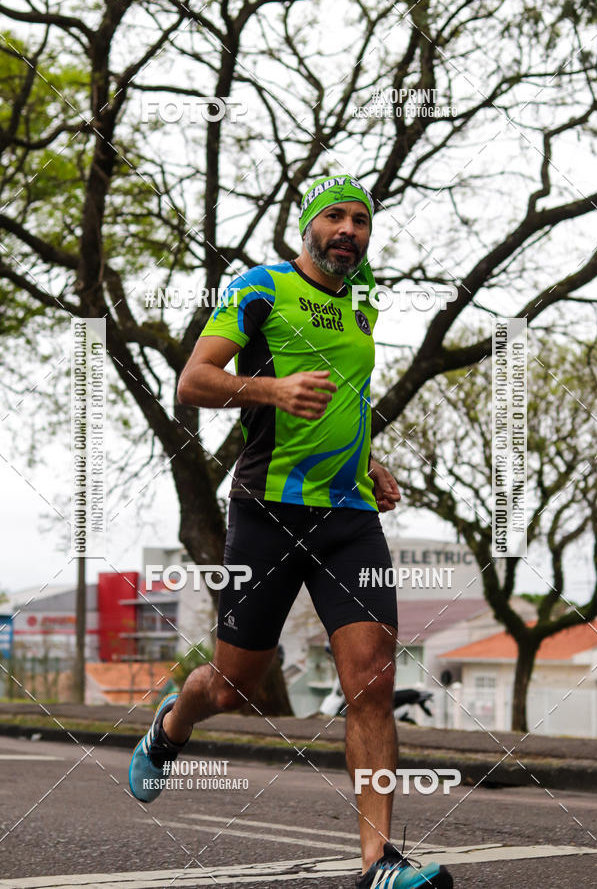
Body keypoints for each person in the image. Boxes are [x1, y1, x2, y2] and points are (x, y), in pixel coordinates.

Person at [129, 174, 453, 889]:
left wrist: (370, 462)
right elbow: (192, 380)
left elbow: (346, 396)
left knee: (371, 683)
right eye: (334, 216)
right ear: (307, 226)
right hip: (267, 511)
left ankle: (377, 863)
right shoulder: (259, 288)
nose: (348, 229)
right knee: (233, 689)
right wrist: (269, 389)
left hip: (349, 518)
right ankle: (170, 727)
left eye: (360, 221)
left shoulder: (365, 301)